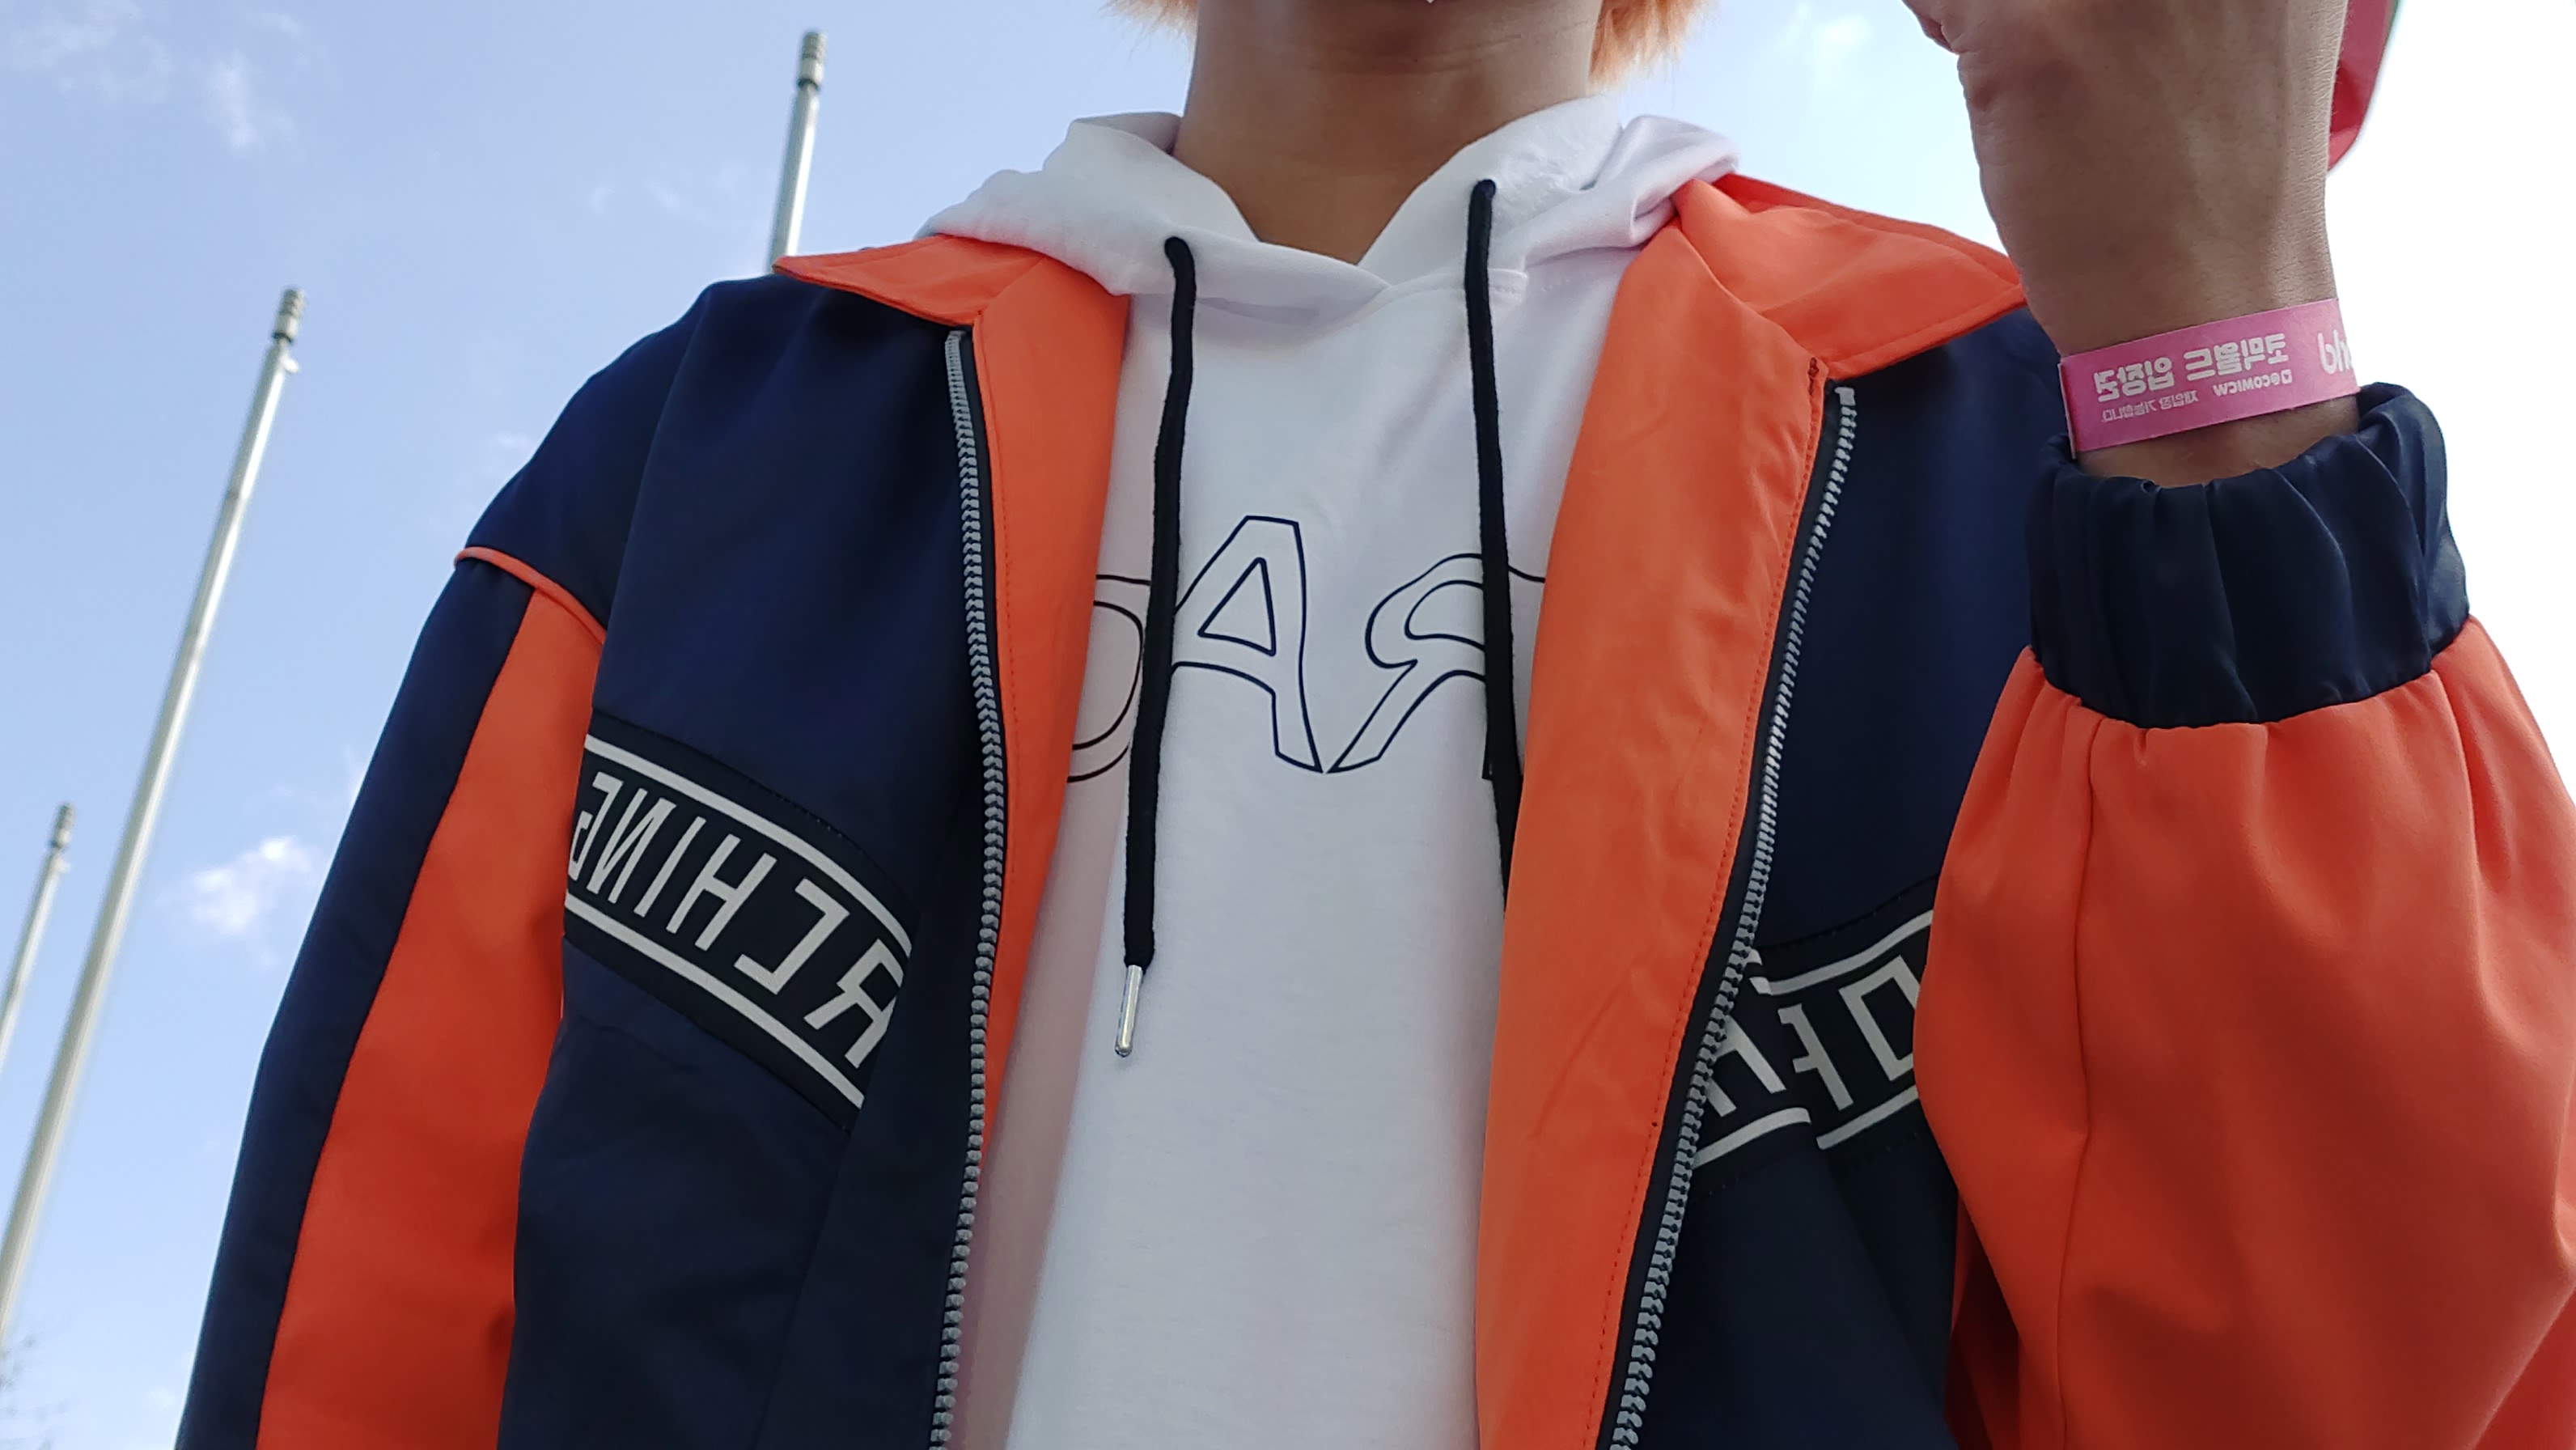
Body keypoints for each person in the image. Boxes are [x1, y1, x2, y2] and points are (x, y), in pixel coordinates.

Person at [178, 0, 2573, 1446]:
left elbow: (2376, 1373)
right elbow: (355, 1358)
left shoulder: (2017, 452)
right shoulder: (705, 458)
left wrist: (2213, 330)